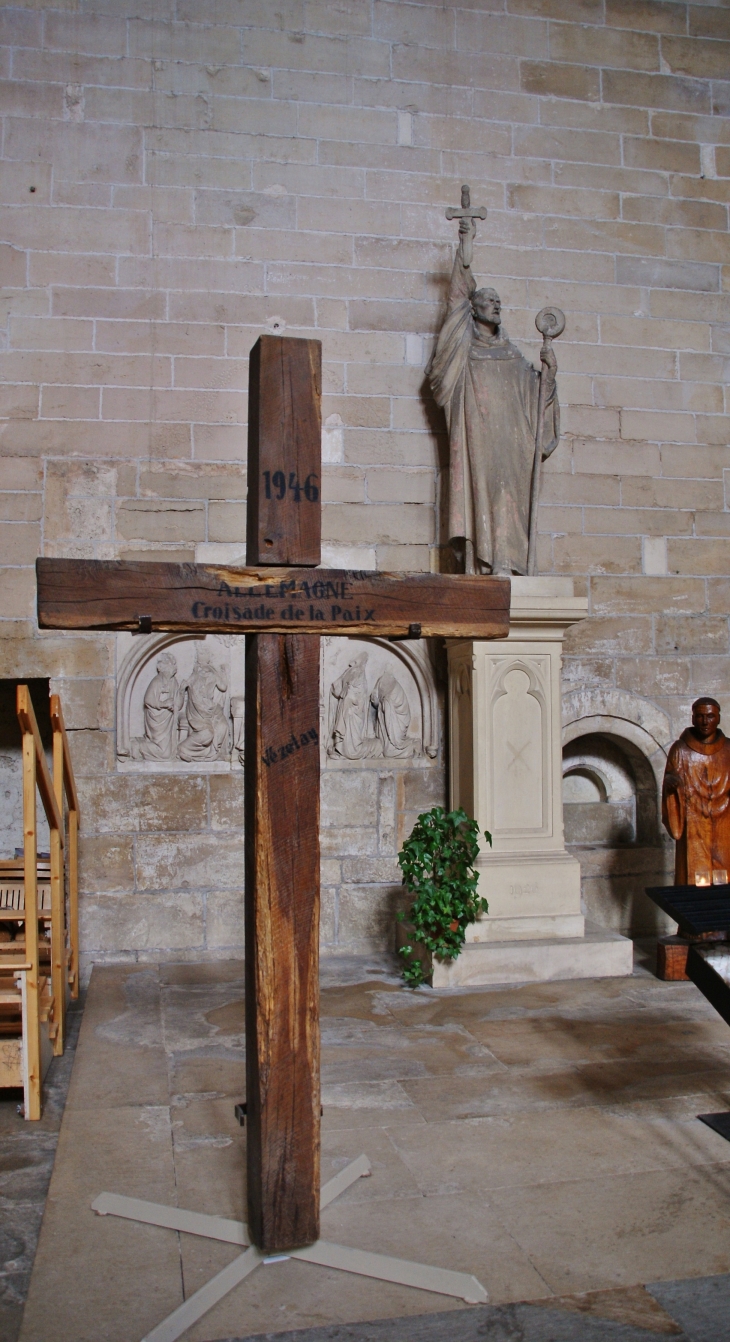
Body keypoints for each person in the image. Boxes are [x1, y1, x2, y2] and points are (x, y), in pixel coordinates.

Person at [427, 221, 559, 576]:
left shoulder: (514, 357)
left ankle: (509, 564)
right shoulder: (463, 350)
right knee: (481, 500)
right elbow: (455, 300)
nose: (496, 304)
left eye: (499, 301)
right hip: (477, 446)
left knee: (508, 502)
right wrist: (465, 247)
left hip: (510, 450)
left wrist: (548, 377)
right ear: (474, 308)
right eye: (489, 300)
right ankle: (481, 564)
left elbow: (537, 400)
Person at [662, 697, 730, 885]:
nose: (705, 721)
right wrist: (671, 782)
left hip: (725, 821)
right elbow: (670, 777)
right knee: (693, 875)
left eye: (710, 716)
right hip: (693, 820)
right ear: (693, 719)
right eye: (700, 716)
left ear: (718, 718)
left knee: (723, 876)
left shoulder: (729, 749)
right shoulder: (681, 750)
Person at [177, 644, 230, 762]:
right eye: (200, 653)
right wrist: (182, 689)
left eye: (204, 653)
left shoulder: (213, 671)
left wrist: (223, 673)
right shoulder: (195, 671)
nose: (202, 656)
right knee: (207, 734)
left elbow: (223, 687)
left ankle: (213, 753)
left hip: (211, 708)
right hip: (197, 710)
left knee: (223, 726)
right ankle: (183, 749)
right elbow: (188, 685)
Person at [131, 652, 183, 760]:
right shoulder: (157, 681)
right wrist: (163, 704)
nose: (174, 667)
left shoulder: (174, 682)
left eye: (174, 664)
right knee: (165, 754)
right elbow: (148, 700)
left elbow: (178, 702)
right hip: (157, 720)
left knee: (171, 751)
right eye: (170, 664)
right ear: (161, 667)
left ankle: (141, 744)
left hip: (167, 721)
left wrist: (179, 697)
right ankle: (138, 746)